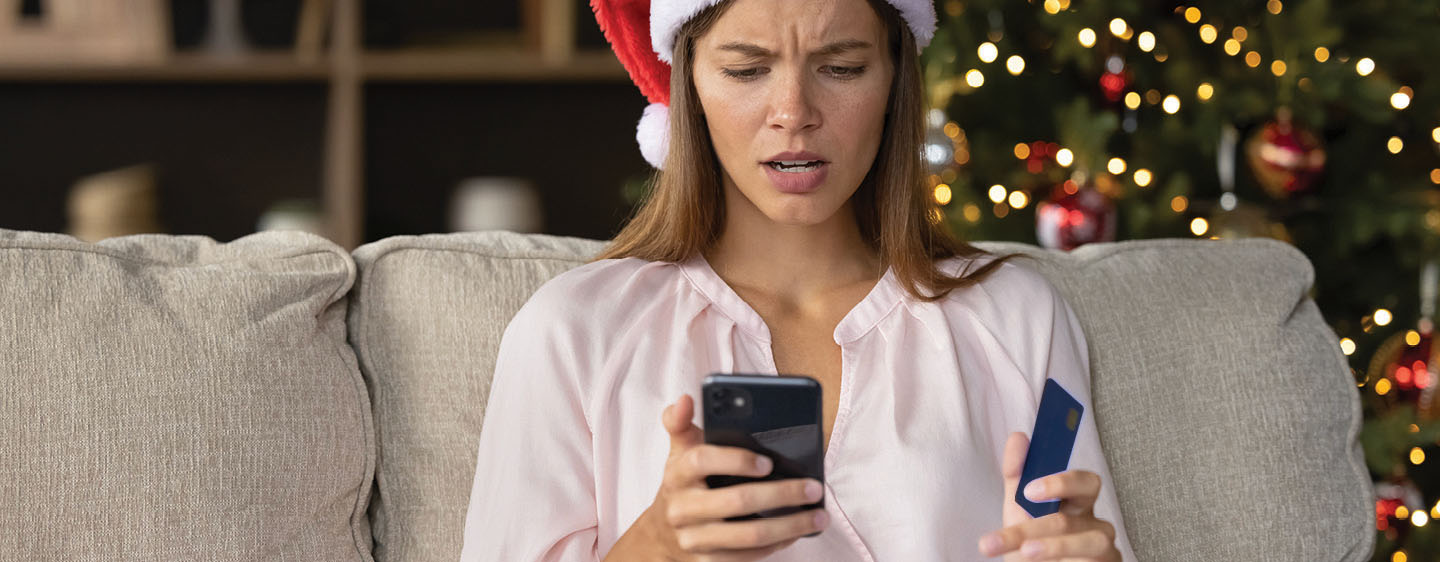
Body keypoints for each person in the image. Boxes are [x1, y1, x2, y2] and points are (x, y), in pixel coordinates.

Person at [460, 0, 1137, 559]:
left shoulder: (1014, 316)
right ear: (688, 81)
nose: (794, 111)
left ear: (896, 78)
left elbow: (1077, 533)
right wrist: (657, 543)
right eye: (747, 70)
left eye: (841, 68)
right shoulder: (574, 331)